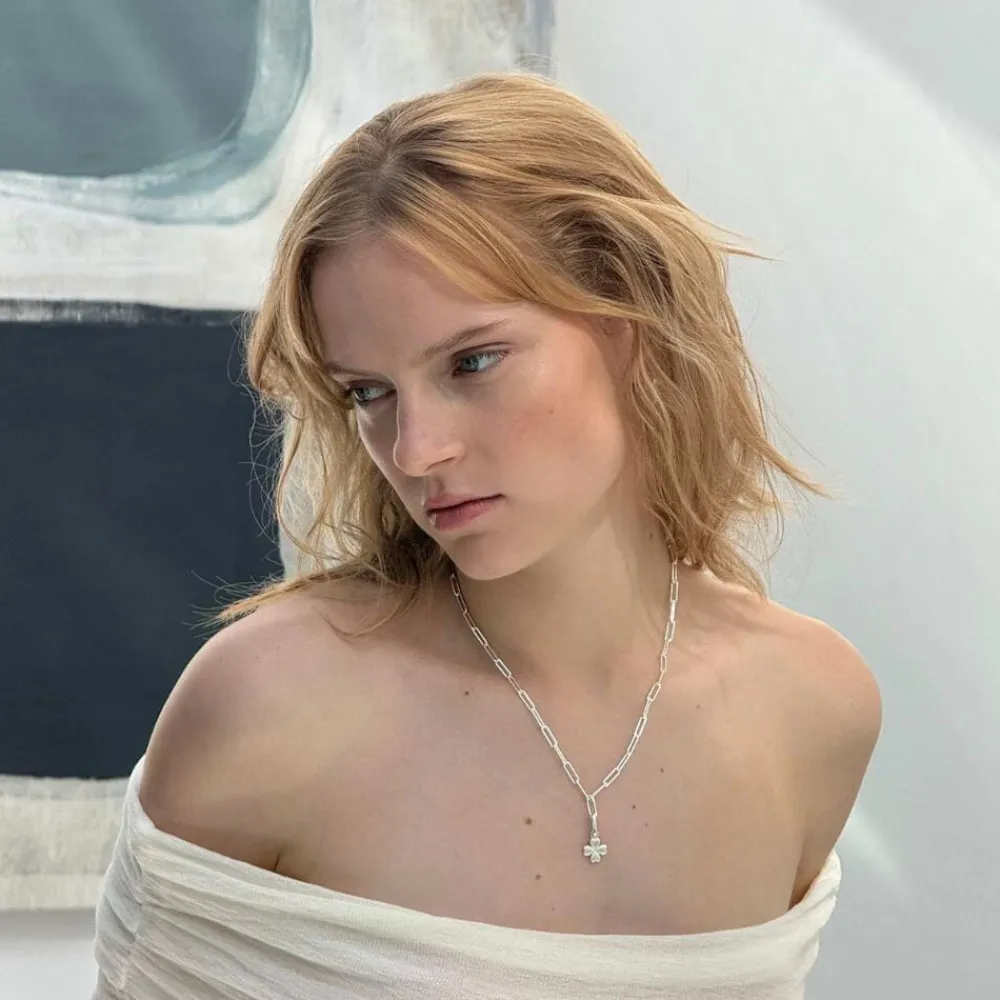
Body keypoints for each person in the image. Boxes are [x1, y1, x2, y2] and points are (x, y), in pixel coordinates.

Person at [92, 71, 882, 999]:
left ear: (631, 319)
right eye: (368, 392)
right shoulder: (271, 706)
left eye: (471, 362)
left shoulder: (814, 707)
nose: (416, 449)